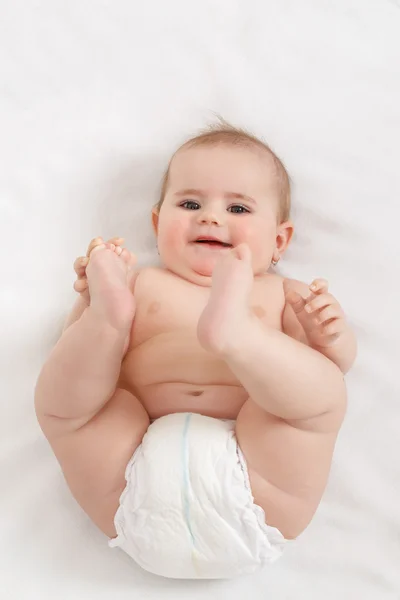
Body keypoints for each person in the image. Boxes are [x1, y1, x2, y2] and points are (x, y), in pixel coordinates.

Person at [35, 122, 357, 579]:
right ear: (156, 222)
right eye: (190, 203)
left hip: (260, 483)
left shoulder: (285, 294)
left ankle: (238, 337)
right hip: (127, 477)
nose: (210, 217)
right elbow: (71, 360)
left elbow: (334, 367)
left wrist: (327, 335)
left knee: (317, 399)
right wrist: (95, 309)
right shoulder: (139, 284)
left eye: (238, 207)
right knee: (71, 405)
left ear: (280, 241)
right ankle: (108, 326)